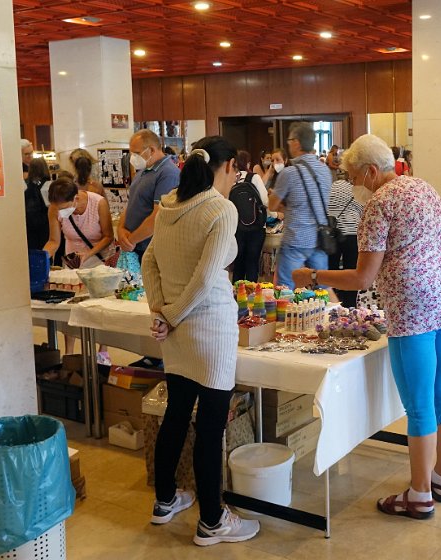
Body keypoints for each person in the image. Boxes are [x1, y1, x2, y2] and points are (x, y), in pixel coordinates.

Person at [291, 133, 441, 520]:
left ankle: (419, 496)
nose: (354, 185)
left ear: (371, 171)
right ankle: (440, 479)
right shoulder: (423, 187)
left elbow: (363, 278)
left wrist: (313, 276)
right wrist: (429, 262)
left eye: (354, 177)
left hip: (412, 308)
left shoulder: (379, 203)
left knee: (419, 406)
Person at [142, 136, 261, 546]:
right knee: (210, 427)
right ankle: (212, 520)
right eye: (236, 171)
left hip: (176, 331)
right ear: (228, 167)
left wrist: (160, 311)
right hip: (209, 329)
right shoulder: (220, 209)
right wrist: (169, 316)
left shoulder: (170, 204)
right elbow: (207, 276)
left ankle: (165, 500)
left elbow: (149, 260)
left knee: (177, 414)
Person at [270, 122, 332, 289]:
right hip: (320, 238)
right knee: (322, 288)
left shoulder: (289, 173)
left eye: (290, 140)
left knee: (285, 289)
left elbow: (272, 205)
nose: (288, 144)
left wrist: (281, 200)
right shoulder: (325, 170)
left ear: (297, 143)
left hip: (295, 238)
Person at [118, 129, 180, 262]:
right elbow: (132, 203)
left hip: (150, 249)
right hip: (134, 246)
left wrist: (131, 240)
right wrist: (121, 229)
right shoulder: (143, 171)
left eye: (137, 153)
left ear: (151, 150)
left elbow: (159, 215)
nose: (133, 158)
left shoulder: (168, 173)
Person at [43, 177, 114, 268]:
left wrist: (88, 254)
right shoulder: (54, 208)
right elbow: (53, 241)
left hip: (100, 262)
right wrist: (43, 257)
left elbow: (108, 237)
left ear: (75, 198)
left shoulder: (99, 203)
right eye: (57, 208)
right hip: (73, 263)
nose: (60, 211)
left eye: (64, 208)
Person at [231, 150, 269, 282]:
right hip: (256, 227)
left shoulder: (231, 178)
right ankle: (251, 291)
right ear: (248, 163)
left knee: (238, 264)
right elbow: (265, 201)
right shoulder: (254, 177)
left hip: (236, 227)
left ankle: (236, 291)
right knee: (252, 263)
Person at [326, 175, 364, 307]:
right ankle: (350, 304)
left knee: (331, 270)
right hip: (352, 233)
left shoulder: (329, 189)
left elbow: (326, 210)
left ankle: (332, 302)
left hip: (333, 234)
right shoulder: (354, 190)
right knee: (352, 270)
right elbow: (362, 210)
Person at [25, 157, 51, 251]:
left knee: (32, 250)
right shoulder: (48, 185)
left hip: (28, 222)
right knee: (46, 249)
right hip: (46, 222)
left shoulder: (25, 185)